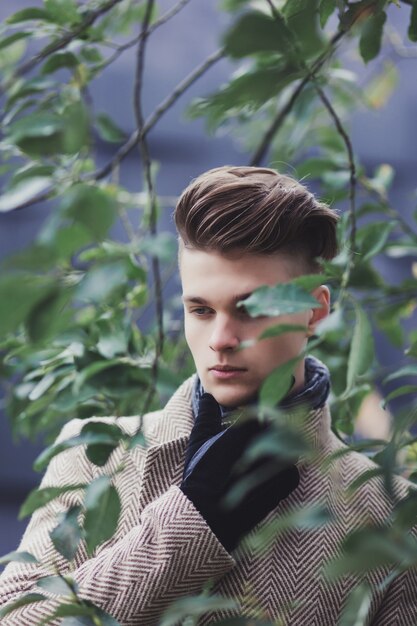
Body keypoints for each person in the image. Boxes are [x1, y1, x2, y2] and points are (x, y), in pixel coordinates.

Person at [0, 165, 416, 625]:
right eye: (200, 309)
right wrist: (193, 520)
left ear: (315, 312)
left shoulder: (393, 518)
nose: (221, 338)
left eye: (252, 309)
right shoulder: (95, 454)